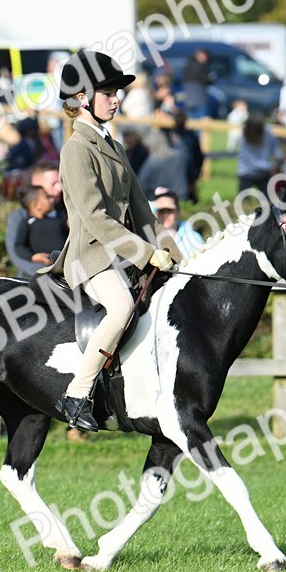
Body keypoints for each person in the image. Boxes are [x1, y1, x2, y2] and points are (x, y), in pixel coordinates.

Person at [45, 50, 182, 430]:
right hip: (90, 255)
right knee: (121, 307)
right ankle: (77, 394)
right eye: (107, 92)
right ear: (83, 99)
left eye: (116, 92)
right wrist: (145, 254)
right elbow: (95, 219)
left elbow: (143, 213)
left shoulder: (115, 147)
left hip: (121, 252)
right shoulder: (76, 149)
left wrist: (177, 257)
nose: (116, 99)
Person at [11, 185, 68, 278]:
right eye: (47, 197)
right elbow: (19, 246)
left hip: (65, 266)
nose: (52, 200)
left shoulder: (58, 220)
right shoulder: (28, 223)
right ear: (35, 205)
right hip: (45, 270)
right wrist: (32, 257)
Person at [137, 125, 190, 201]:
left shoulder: (151, 162)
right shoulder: (179, 156)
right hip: (181, 198)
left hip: (159, 200)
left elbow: (141, 185)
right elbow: (183, 147)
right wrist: (176, 139)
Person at [150, 187, 204, 258]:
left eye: (169, 210)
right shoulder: (149, 240)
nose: (165, 215)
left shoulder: (193, 238)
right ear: (155, 213)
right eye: (161, 210)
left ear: (179, 212)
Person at [236, 112, 281, 193]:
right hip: (247, 173)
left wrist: (280, 158)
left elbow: (275, 147)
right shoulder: (244, 138)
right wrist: (271, 166)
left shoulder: (267, 131)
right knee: (243, 202)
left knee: (267, 202)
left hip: (263, 175)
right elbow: (251, 161)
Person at [182, 48, 211, 119]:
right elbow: (206, 80)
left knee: (191, 123)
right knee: (201, 124)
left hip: (189, 100)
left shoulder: (187, 65)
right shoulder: (199, 68)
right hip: (199, 99)